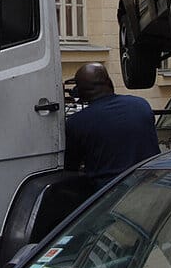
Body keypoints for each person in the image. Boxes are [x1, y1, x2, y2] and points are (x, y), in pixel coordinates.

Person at [64, 62, 160, 190]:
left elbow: (71, 168)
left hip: (109, 196)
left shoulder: (76, 122)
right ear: (109, 82)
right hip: (152, 183)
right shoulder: (141, 104)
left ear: (80, 92)